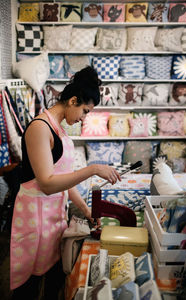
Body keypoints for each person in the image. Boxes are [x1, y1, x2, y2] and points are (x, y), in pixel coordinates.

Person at [10, 66, 121, 299]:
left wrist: (86, 210)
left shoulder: (59, 129)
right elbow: (48, 183)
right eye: (85, 111)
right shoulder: (40, 128)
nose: (83, 118)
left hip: (53, 218)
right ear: (73, 100)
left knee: (52, 277)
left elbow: (64, 177)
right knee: (29, 283)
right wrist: (92, 169)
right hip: (35, 219)